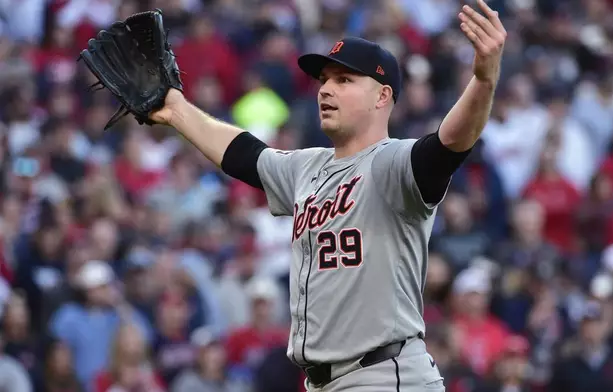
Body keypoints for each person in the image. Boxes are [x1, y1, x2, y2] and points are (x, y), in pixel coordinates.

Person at [148, 1, 507, 390]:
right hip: (325, 382)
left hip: (384, 376)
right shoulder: (306, 167)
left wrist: (484, 81)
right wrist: (176, 109)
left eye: (344, 80)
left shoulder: (393, 163)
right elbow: (244, 154)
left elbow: (449, 143)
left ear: (382, 96)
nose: (326, 90)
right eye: (324, 80)